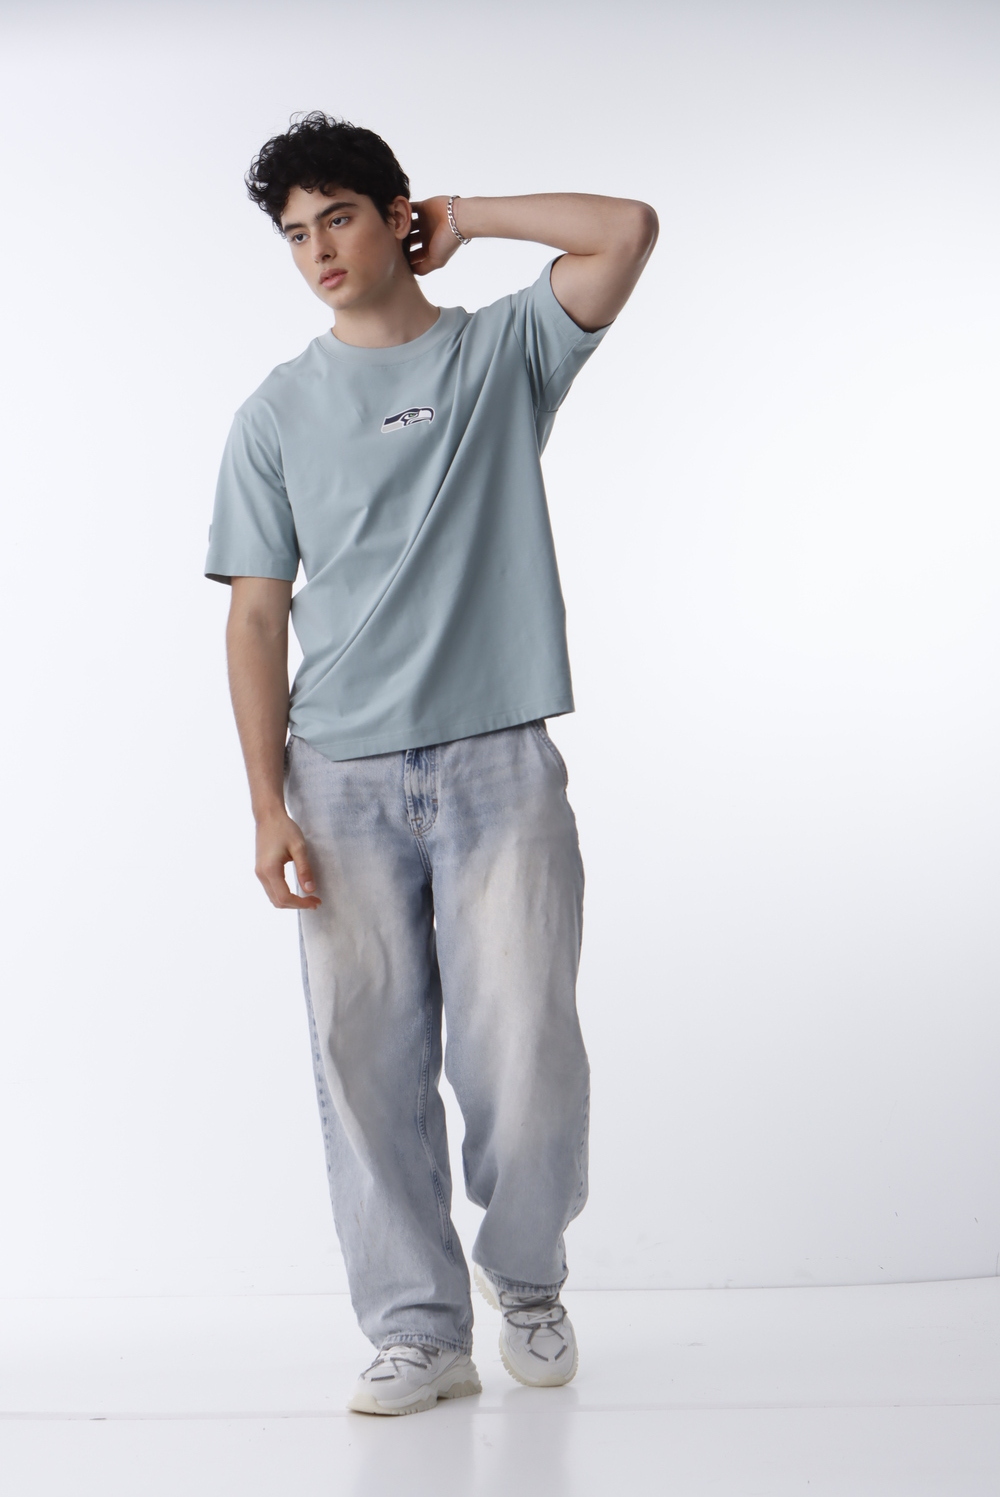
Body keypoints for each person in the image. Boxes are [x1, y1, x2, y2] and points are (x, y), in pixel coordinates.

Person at [205, 112, 657, 1416]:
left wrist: (466, 217)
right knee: (366, 1067)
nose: (317, 251)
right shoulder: (274, 413)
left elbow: (624, 231)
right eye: (296, 233)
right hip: (339, 779)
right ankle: (418, 1330)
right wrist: (266, 804)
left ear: (393, 215)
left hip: (497, 763)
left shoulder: (501, 355)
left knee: (526, 1056)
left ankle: (529, 1279)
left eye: (339, 217)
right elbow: (255, 618)